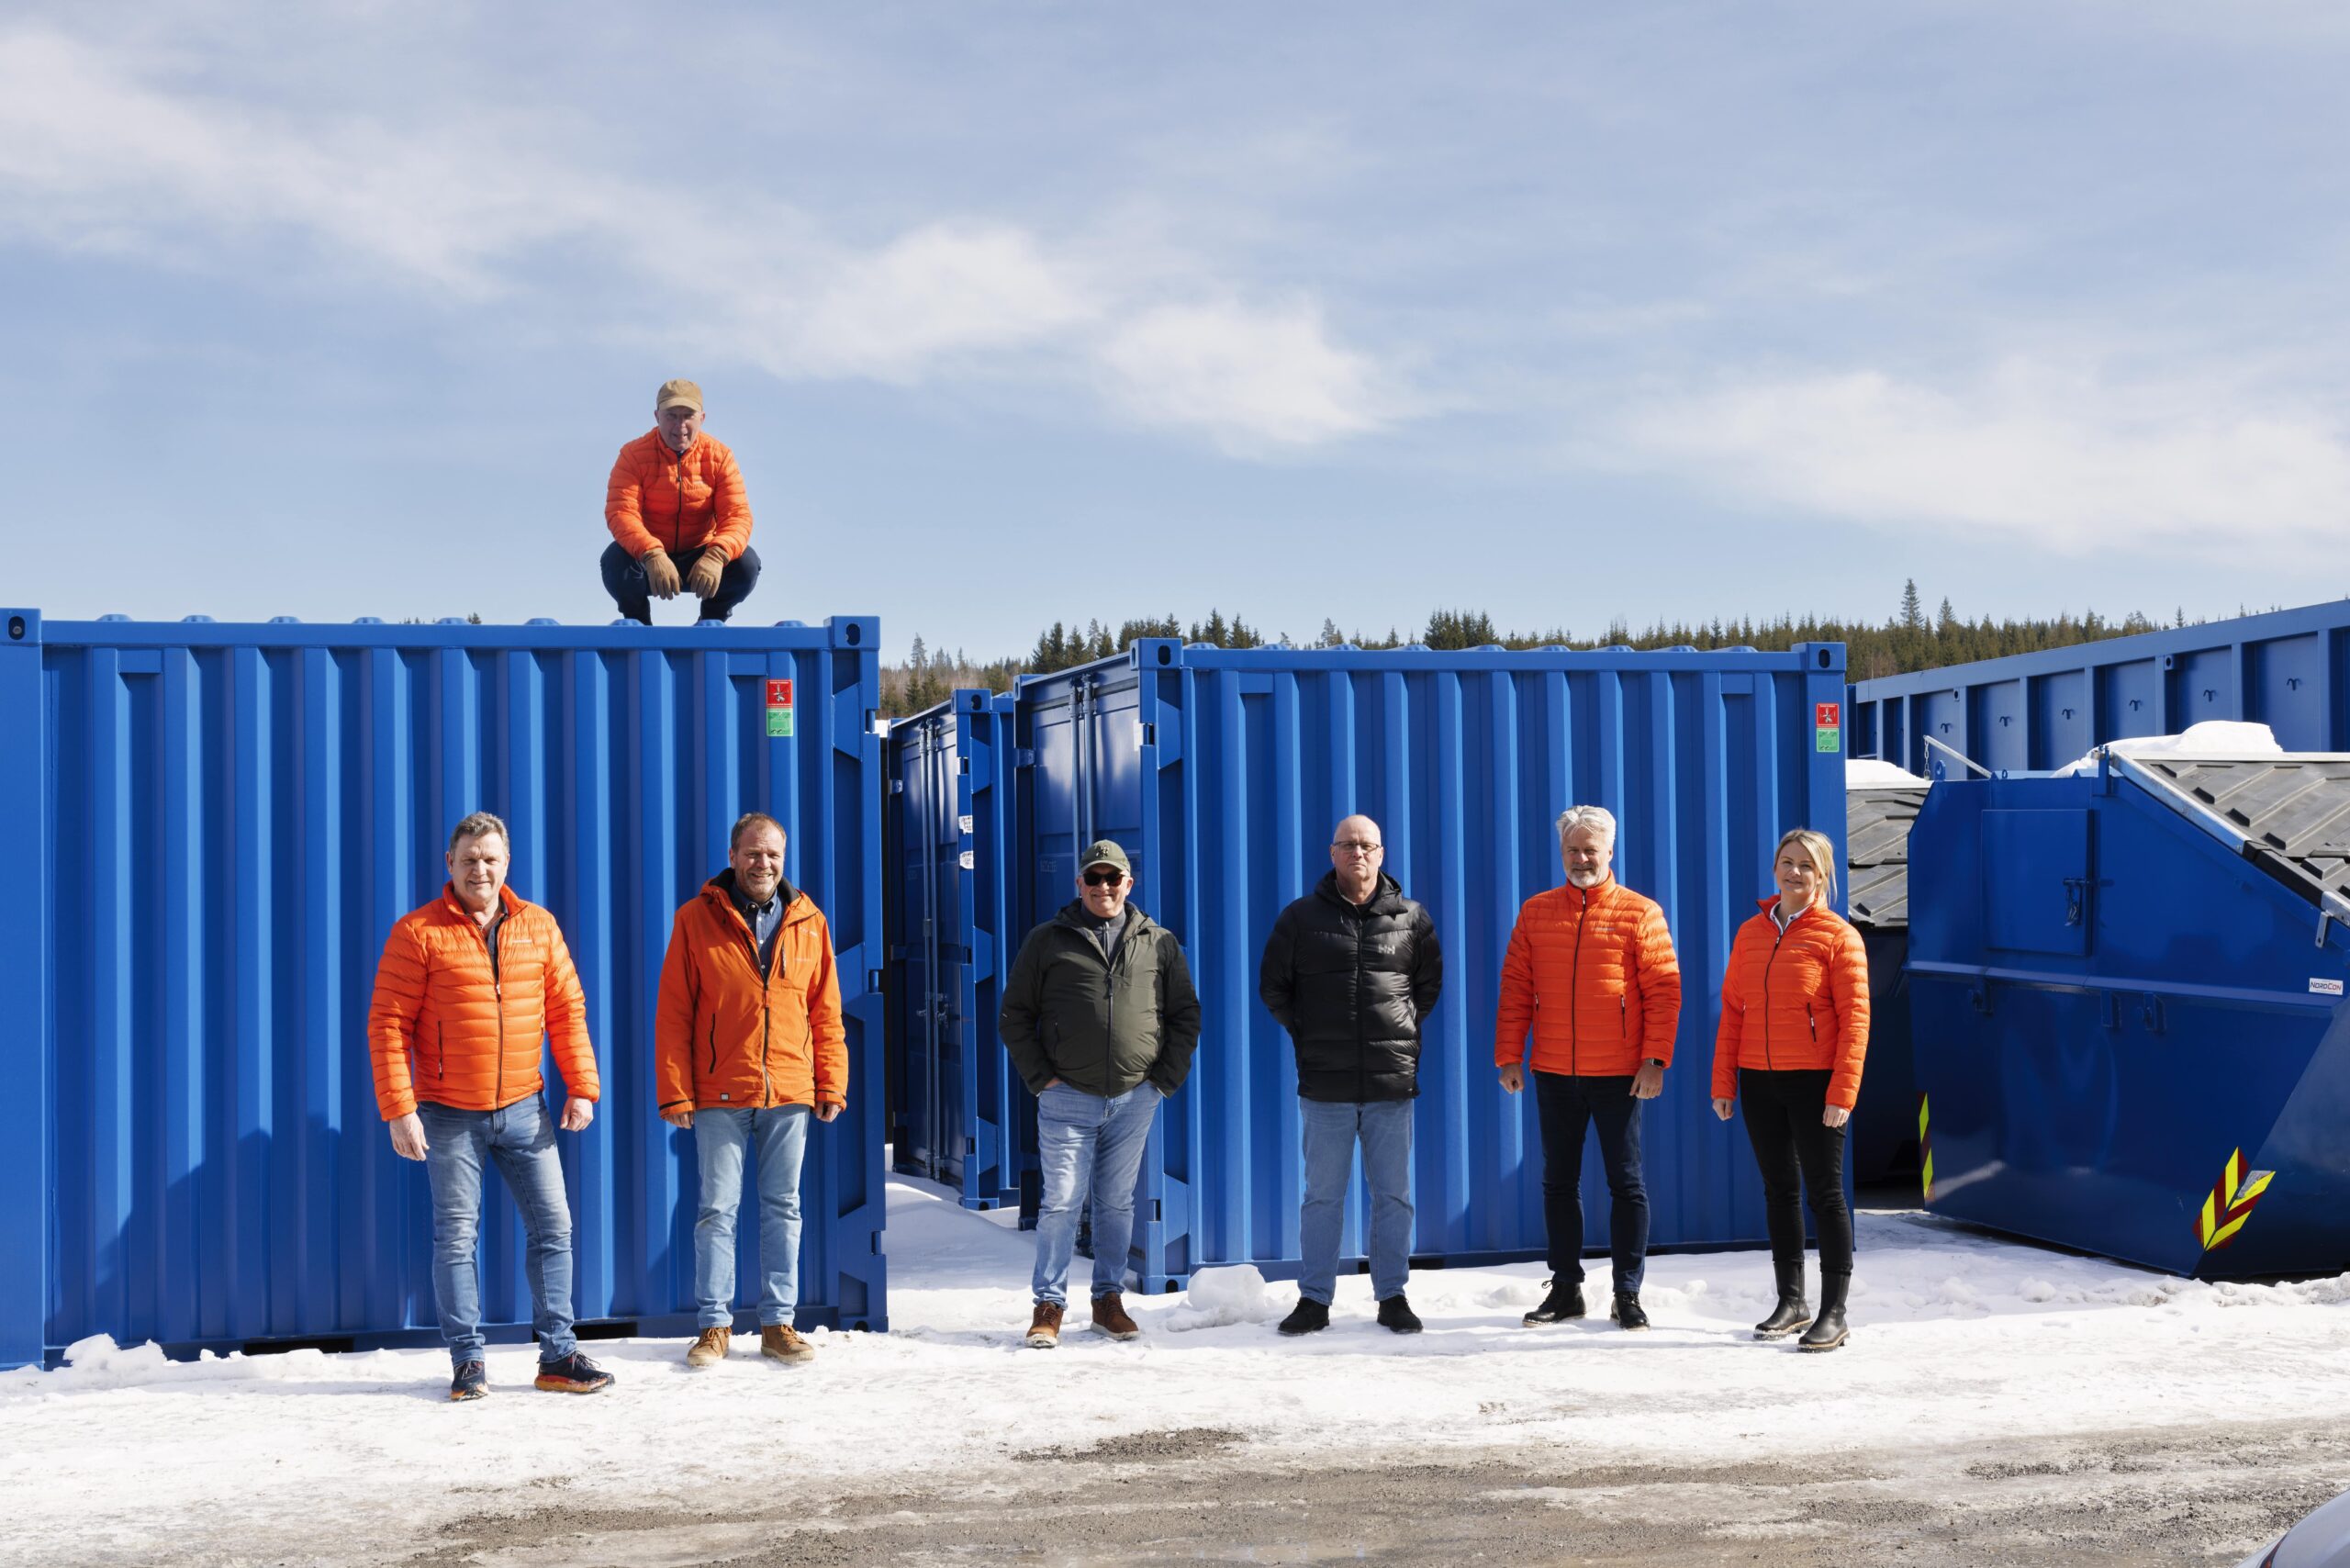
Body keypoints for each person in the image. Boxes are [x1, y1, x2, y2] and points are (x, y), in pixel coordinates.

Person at [365, 812, 611, 1401]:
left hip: (527, 1109)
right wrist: (400, 1109)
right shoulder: (418, 933)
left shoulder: (539, 927)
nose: (481, 868)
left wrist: (582, 1085)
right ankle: (468, 1361)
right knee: (456, 1238)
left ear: (507, 864)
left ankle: (557, 1356)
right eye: (470, 858)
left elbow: (566, 1010)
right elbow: (388, 1025)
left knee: (554, 1228)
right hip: (449, 1112)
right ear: (449, 864)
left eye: (491, 859)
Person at [655, 812, 846, 1368]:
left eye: (773, 855)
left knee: (783, 1208)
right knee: (717, 1210)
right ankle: (714, 1325)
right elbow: (674, 1013)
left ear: (783, 860)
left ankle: (777, 1324)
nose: (763, 863)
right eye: (753, 853)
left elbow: (825, 1011)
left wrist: (831, 1081)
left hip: (790, 1089)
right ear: (733, 855)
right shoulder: (696, 919)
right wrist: (675, 1091)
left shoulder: (809, 921)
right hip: (720, 1091)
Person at [999, 839, 1202, 1349]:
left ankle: (1107, 1301)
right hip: (1067, 1098)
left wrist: (1162, 1081)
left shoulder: (1159, 942)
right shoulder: (1048, 941)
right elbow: (1014, 1014)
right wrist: (1042, 1077)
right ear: (1080, 885)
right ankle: (1049, 1304)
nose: (1104, 887)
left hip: (1135, 1098)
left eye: (1114, 879)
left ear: (1129, 884)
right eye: (1095, 879)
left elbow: (1185, 1015)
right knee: (1062, 1202)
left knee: (1115, 1205)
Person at [1495, 805, 1683, 1332]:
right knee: (1559, 1182)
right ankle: (1565, 1289)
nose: (1582, 859)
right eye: (1573, 850)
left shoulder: (1639, 913)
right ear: (1562, 853)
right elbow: (1515, 987)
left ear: (1610, 853)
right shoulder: (1537, 912)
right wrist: (1510, 1053)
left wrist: (1654, 1060)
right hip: (1553, 1070)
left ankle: (1627, 1293)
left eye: (1591, 850)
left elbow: (1664, 992)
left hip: (1620, 1073)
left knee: (1626, 1183)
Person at [1259, 814, 1443, 1336]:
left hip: (1391, 1083)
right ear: (1332, 853)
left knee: (1393, 1196)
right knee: (1323, 1196)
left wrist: (1397, 1029)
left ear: (1381, 853)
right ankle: (1315, 1299)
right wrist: (1311, 1033)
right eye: (1347, 845)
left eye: (1367, 845)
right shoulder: (1300, 919)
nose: (1357, 853)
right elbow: (1274, 988)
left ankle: (1392, 1296)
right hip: (1326, 1084)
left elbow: (1425, 989)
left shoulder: (1412, 918)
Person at [1711, 827, 1871, 1352]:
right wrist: (1725, 1081)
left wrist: (1841, 1094)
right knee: (1779, 1191)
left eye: (1806, 864)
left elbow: (1855, 1022)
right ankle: (1792, 1300)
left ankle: (1834, 1311)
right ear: (1774, 868)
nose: (1794, 872)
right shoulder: (1751, 933)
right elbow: (1733, 1010)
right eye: (1787, 861)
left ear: (1823, 874)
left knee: (1825, 1195)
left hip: (1816, 1083)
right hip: (1759, 1080)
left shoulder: (1838, 936)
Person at [601, 379, 761, 625]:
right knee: (615, 561)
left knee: (746, 565)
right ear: (656, 416)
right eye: (671, 416)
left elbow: (737, 515)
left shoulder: (720, 457)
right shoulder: (632, 455)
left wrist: (717, 555)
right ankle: (638, 625)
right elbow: (622, 512)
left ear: (702, 418)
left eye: (688, 415)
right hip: (651, 558)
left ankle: (712, 619)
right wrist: (652, 553)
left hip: (701, 556)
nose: (680, 425)